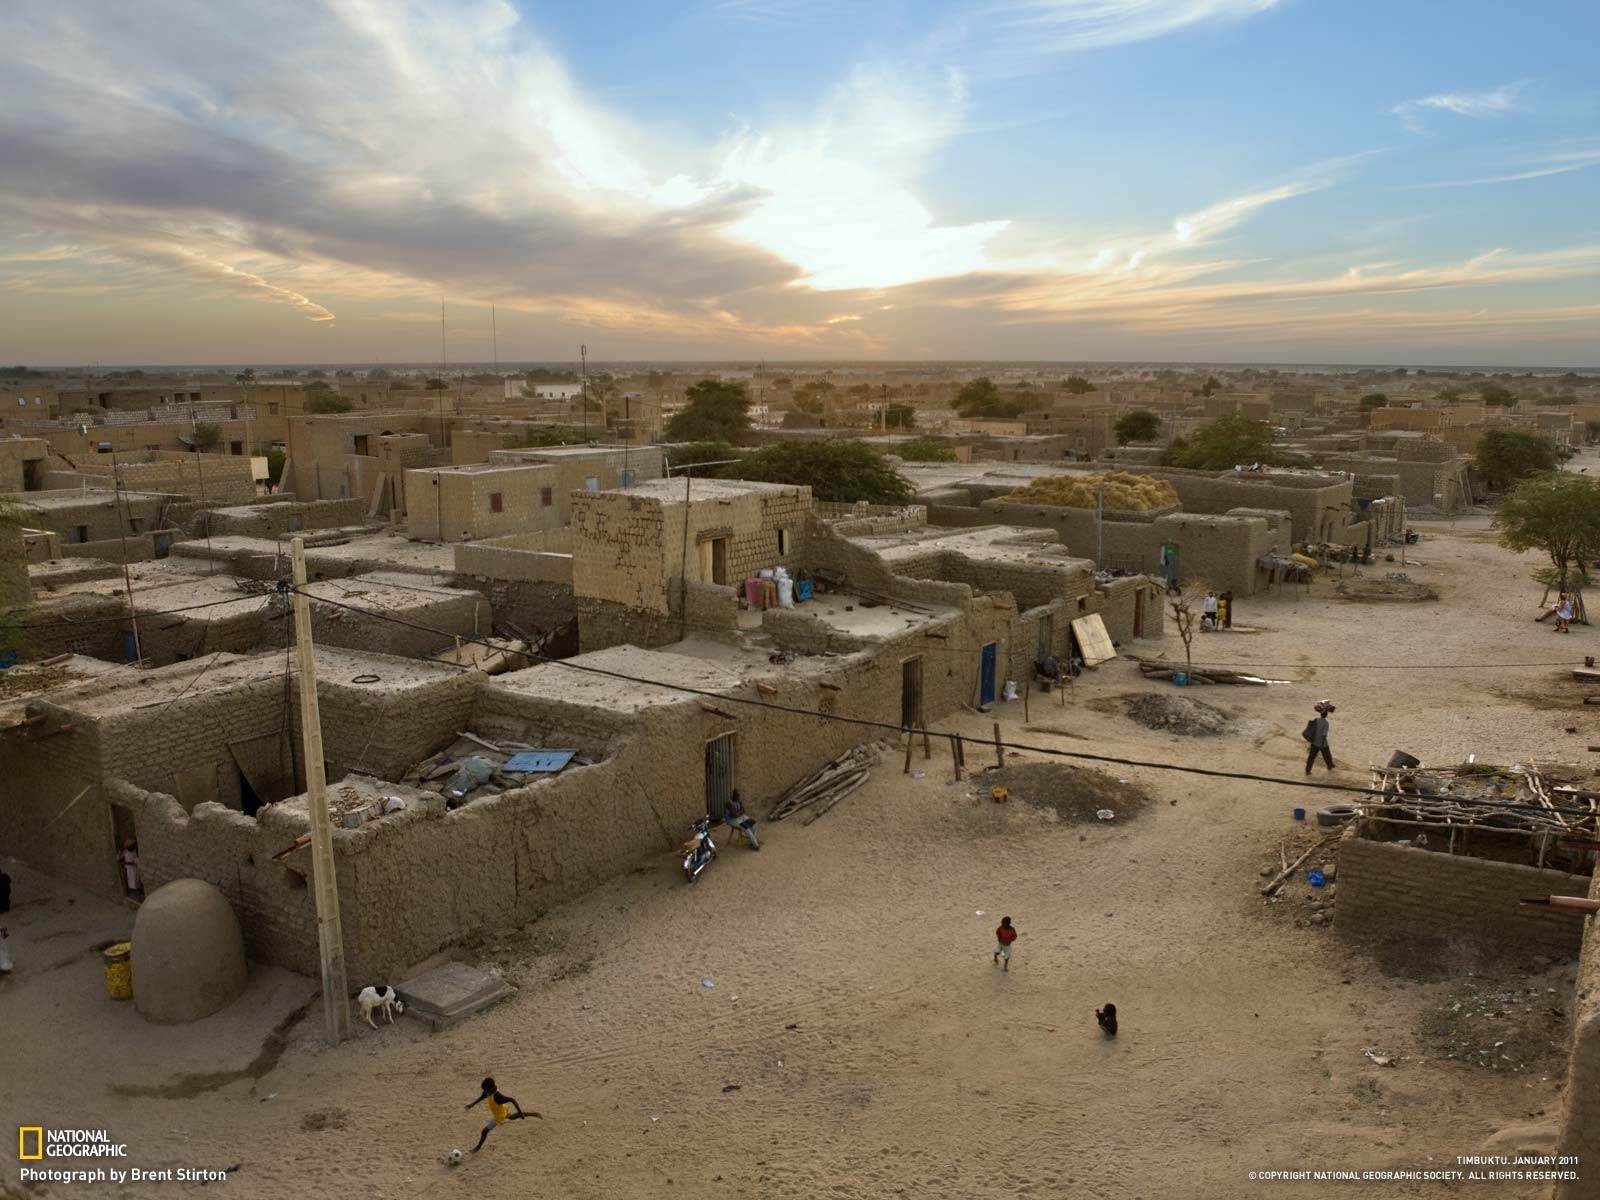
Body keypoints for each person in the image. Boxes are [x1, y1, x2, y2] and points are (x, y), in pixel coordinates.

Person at [466, 1076, 535, 1152]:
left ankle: (478, 1147)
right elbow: (482, 1096)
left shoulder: (498, 1097)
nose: (484, 1091)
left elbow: (513, 1100)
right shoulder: (489, 1091)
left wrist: (520, 1112)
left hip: (498, 1116)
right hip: (502, 1109)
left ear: (491, 1088)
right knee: (512, 1117)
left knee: (484, 1131)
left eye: (485, 1090)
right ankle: (533, 1114)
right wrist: (472, 1104)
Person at [1303, 702, 1335, 775]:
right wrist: (1322, 744)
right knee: (1327, 754)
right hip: (1322, 743)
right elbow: (1324, 735)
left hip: (1314, 742)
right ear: (1326, 715)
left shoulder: (1316, 720)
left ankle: (1307, 770)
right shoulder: (1326, 723)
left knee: (1311, 757)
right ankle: (1330, 766)